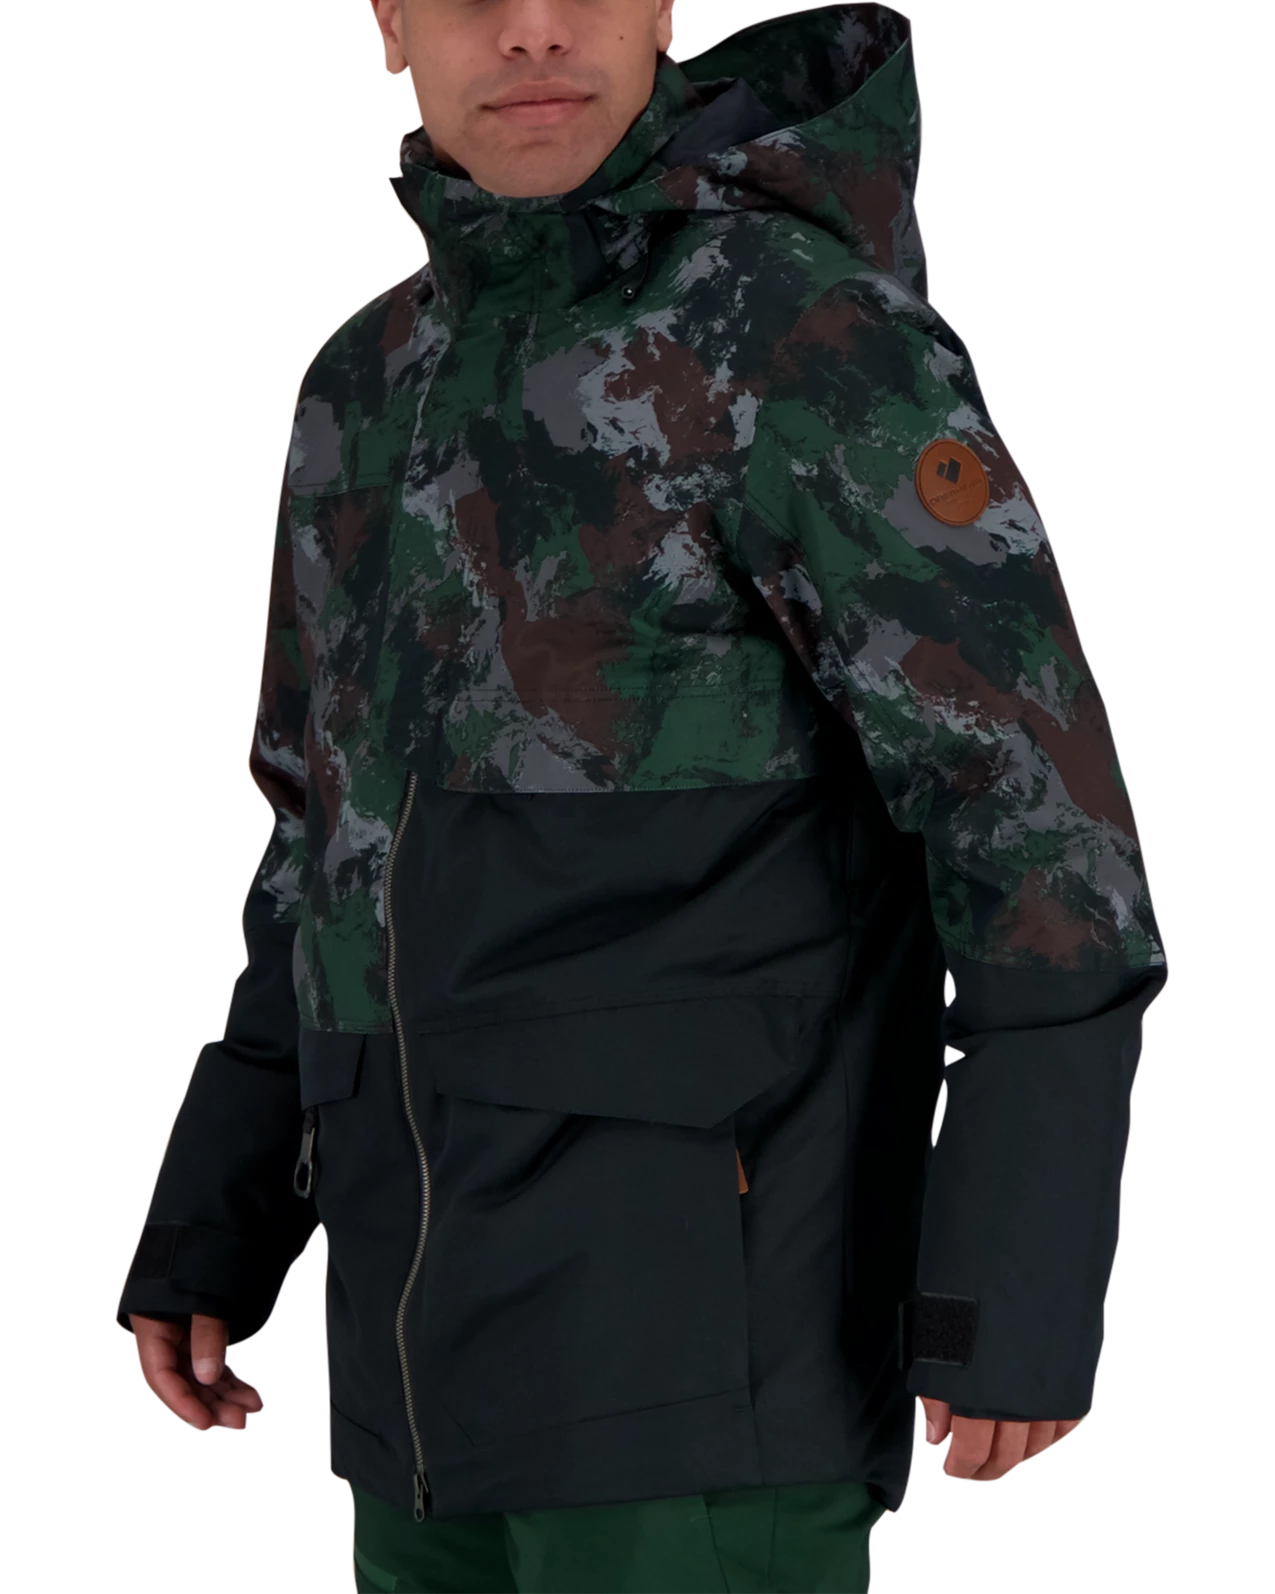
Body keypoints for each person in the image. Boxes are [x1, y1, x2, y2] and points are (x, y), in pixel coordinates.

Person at [117, 3, 1169, 1590]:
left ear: (661, 10)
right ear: (388, 25)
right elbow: (319, 837)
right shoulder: (362, 385)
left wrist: (1008, 1294)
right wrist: (218, 1212)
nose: (533, 32)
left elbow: (1032, 815)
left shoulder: (795, 335)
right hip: (414, 1384)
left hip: (702, 1374)